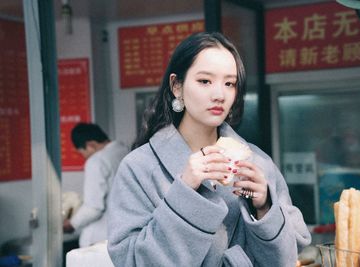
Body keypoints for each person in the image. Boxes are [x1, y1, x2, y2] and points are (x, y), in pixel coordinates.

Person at [107, 32, 311, 266]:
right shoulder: (139, 167)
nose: (219, 95)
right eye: (205, 81)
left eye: (229, 83)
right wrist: (185, 190)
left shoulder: (256, 161)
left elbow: (288, 259)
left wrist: (264, 206)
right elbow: (131, 261)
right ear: (176, 86)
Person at [63, 122, 129, 247]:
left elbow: (94, 208)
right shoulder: (126, 151)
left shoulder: (97, 161)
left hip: (100, 238)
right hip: (124, 234)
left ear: (90, 145)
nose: (85, 158)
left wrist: (72, 224)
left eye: (82, 153)